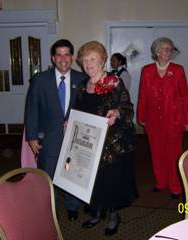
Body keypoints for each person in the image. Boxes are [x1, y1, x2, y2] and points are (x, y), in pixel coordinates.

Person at [75, 41, 137, 236]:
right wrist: (71, 122)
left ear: (102, 61)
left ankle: (112, 215)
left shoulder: (114, 82)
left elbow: (128, 108)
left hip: (111, 142)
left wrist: (116, 113)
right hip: (89, 142)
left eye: (93, 59)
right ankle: (96, 212)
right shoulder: (82, 86)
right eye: (85, 60)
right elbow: (77, 111)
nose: (88, 63)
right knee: (93, 180)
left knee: (110, 180)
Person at [24, 39, 87, 221]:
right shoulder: (40, 80)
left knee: (71, 174)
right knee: (48, 176)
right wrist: (32, 137)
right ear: (53, 58)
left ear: (72, 57)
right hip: (48, 139)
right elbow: (32, 108)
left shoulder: (82, 79)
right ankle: (50, 208)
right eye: (59, 54)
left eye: (67, 54)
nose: (63, 58)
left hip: (74, 139)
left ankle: (72, 206)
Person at [137, 37, 188, 199]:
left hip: (174, 119)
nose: (169, 52)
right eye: (166, 49)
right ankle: (161, 182)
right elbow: (143, 95)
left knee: (174, 152)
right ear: (157, 51)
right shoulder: (146, 71)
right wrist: (141, 117)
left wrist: (186, 120)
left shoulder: (178, 70)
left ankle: (175, 186)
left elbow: (184, 97)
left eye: (171, 49)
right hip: (153, 120)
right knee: (156, 152)